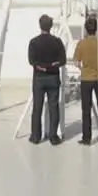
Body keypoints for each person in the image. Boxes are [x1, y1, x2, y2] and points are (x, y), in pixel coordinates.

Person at [72, 14, 98, 145]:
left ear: (86, 29)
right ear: (96, 29)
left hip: (86, 79)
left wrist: (82, 69)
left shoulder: (81, 44)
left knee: (86, 109)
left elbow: (76, 62)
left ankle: (86, 138)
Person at [27, 14, 65, 144]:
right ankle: (53, 137)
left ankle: (36, 136)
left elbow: (32, 61)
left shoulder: (34, 42)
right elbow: (62, 61)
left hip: (39, 79)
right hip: (53, 78)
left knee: (37, 108)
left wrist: (42, 67)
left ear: (40, 25)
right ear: (51, 26)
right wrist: (51, 66)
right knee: (53, 107)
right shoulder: (57, 42)